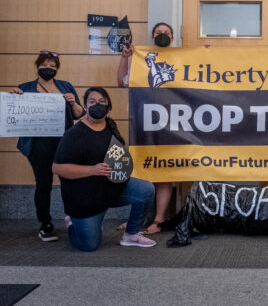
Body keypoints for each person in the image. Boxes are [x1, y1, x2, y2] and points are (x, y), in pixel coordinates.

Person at [52, 87, 156, 251]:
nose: (97, 105)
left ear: (108, 109)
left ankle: (131, 235)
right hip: (85, 199)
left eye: (102, 102)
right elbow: (57, 168)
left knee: (146, 189)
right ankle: (72, 223)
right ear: (85, 107)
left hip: (110, 189)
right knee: (88, 246)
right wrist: (92, 170)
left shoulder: (110, 125)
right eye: (92, 102)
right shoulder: (74, 134)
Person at [12, 51, 84, 242]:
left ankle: (73, 217)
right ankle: (45, 223)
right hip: (38, 143)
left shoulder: (65, 86)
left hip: (64, 142)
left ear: (57, 69)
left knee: (69, 181)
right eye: (45, 65)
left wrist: (73, 102)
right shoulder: (25, 88)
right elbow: (15, 112)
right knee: (43, 183)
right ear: (37, 67)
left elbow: (79, 114)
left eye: (53, 66)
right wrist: (15, 98)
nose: (49, 68)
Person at [116, 22, 175, 234]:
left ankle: (158, 220)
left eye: (166, 33)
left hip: (172, 123)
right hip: (142, 123)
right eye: (158, 33)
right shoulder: (140, 59)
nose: (162, 36)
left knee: (164, 172)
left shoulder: (182, 58)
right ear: (152, 36)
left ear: (173, 38)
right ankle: (138, 218)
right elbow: (122, 83)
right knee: (141, 171)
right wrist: (125, 58)